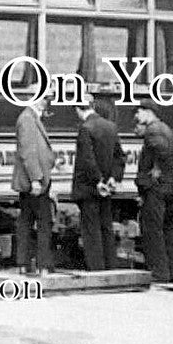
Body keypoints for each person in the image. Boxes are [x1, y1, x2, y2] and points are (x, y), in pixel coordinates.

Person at [71, 96, 126, 272]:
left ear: (78, 110)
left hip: (90, 188)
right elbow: (119, 156)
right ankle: (111, 265)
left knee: (91, 229)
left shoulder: (85, 129)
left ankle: (96, 268)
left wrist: (98, 181)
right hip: (107, 188)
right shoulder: (111, 127)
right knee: (106, 227)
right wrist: (113, 178)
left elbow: (87, 160)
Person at [134, 99, 173, 282]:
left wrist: (156, 169)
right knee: (168, 230)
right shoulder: (168, 129)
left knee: (153, 231)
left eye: (139, 112)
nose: (137, 116)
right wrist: (166, 169)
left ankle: (160, 273)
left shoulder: (152, 131)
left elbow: (162, 151)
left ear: (148, 112)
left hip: (156, 188)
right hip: (170, 184)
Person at [12, 89, 56, 276]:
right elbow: (28, 152)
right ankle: (43, 264)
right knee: (43, 223)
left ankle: (24, 263)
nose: (47, 102)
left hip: (32, 181)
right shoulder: (28, 119)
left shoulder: (30, 118)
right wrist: (36, 179)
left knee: (26, 222)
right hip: (35, 183)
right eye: (45, 98)